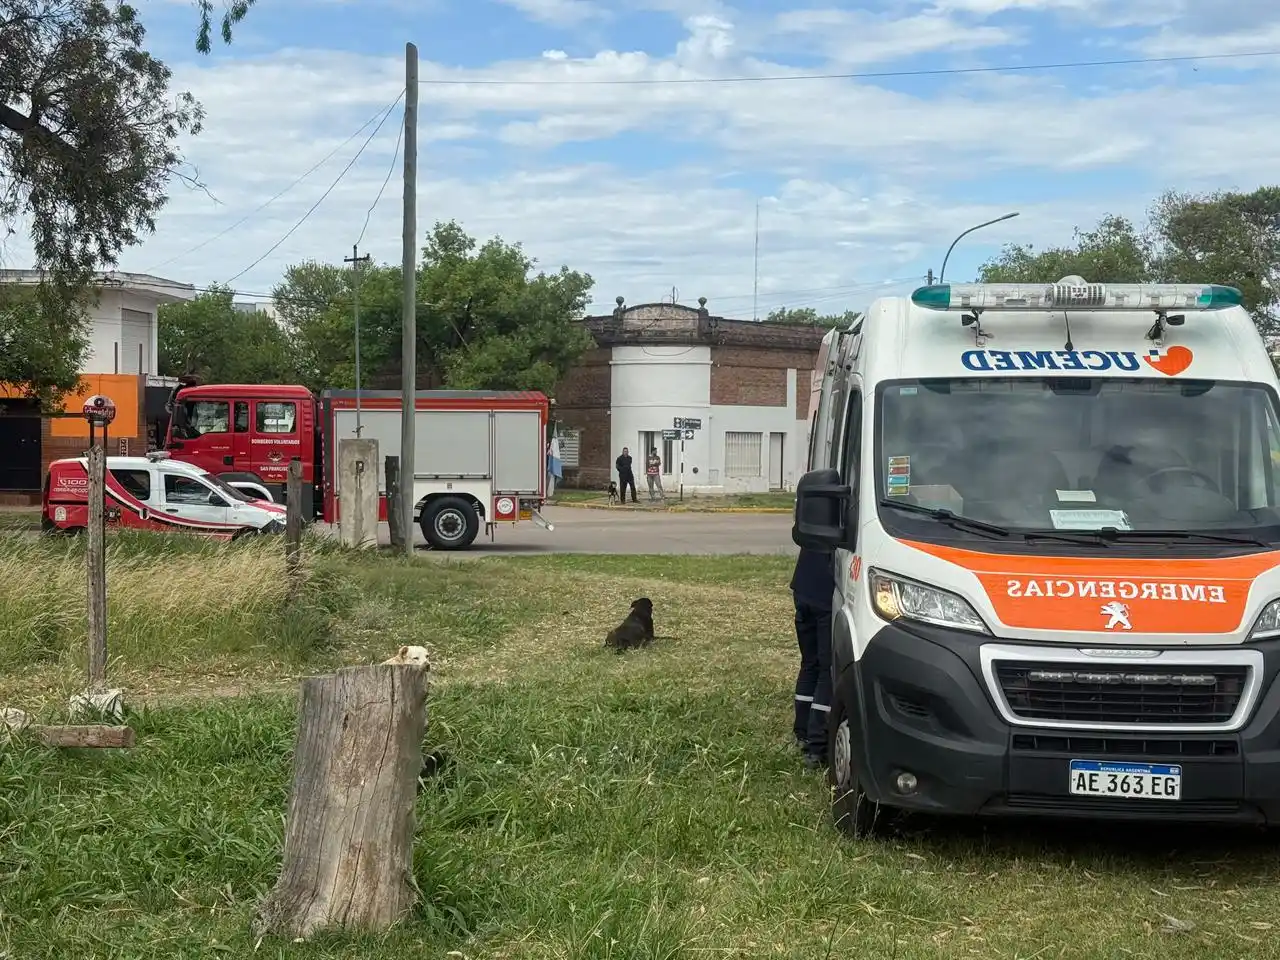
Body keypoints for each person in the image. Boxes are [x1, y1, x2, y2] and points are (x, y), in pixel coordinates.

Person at [791, 544, 835, 769]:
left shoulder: (816, 510)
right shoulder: (845, 512)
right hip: (826, 594)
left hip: (804, 588)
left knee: (810, 664)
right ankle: (817, 746)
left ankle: (803, 732)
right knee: (828, 671)